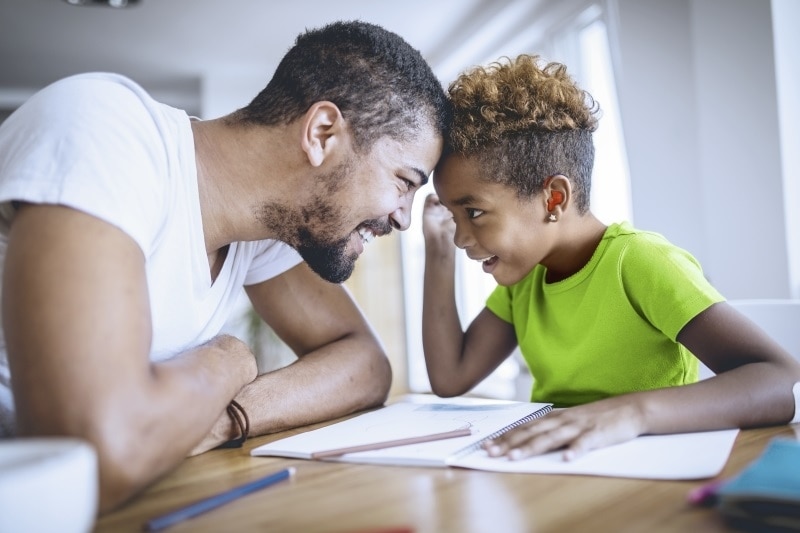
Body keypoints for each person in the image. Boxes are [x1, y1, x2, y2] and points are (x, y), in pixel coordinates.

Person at [0, 20, 449, 511]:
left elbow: (363, 364)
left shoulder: (263, 229)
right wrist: (228, 360)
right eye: (405, 181)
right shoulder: (107, 132)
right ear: (322, 133)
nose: (405, 218)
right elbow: (92, 460)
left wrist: (225, 416)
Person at [422, 54, 800, 462]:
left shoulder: (639, 261)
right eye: (451, 215)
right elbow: (450, 377)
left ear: (554, 198)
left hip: (646, 468)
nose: (461, 237)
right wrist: (437, 249)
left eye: (474, 212)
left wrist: (630, 411)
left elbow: (779, 379)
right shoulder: (526, 278)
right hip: (553, 467)